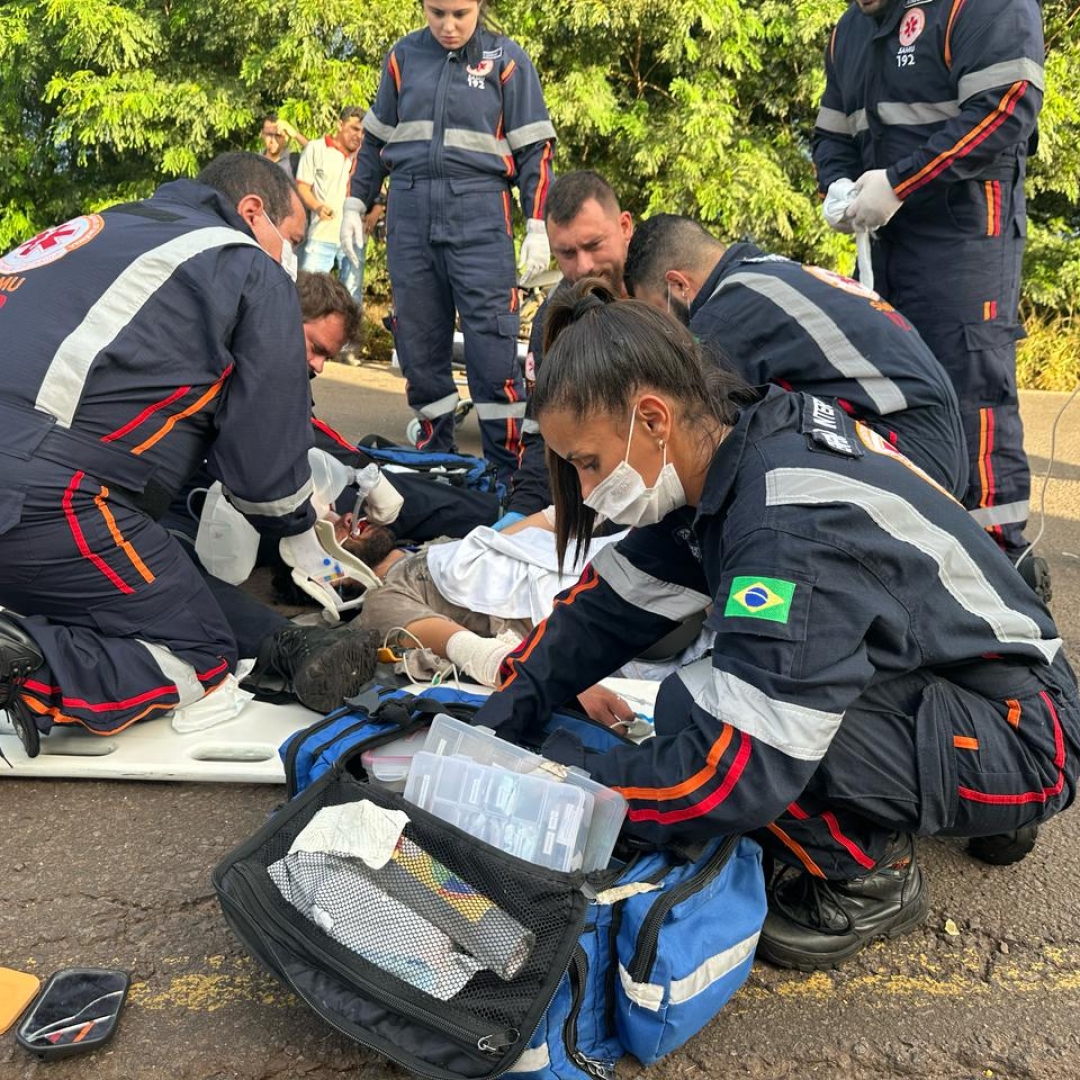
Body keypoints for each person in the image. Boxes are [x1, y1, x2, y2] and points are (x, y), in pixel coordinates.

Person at [470, 278, 1080, 971]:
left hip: (1029, 735)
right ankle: (976, 801)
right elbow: (606, 609)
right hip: (983, 675)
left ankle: (868, 879)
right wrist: (501, 716)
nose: (584, 491)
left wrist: (565, 785)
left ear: (652, 418)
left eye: (587, 463)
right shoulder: (735, 445)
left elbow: (734, 772)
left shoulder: (784, 525)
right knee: (751, 684)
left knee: (704, 707)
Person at [0, 152, 379, 753]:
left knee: (128, 571)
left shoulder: (103, 229)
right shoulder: (247, 266)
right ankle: (30, 670)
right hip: (46, 495)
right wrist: (302, 529)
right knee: (198, 650)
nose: (294, 258)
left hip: (32, 475)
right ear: (253, 212)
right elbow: (263, 474)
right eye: (294, 239)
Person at [813, 0, 1048, 599]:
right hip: (885, 239)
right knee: (887, 395)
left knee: (971, 386)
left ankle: (1000, 562)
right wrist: (837, 186)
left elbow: (1005, 108)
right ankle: (916, 553)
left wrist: (899, 182)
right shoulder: (852, 29)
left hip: (964, 235)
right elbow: (832, 135)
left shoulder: (980, 7)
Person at [341, 0, 556, 485]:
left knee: (491, 345)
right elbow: (375, 139)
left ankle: (508, 470)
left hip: (481, 212)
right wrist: (355, 202)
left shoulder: (506, 59)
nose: (449, 25)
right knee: (418, 338)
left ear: (480, 5)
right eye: (437, 12)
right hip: (410, 210)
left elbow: (535, 148)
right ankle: (435, 455)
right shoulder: (402, 56)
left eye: (460, 13)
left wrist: (537, 222)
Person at [623, 213, 967, 497]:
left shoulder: (724, 313)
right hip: (935, 446)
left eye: (659, 313)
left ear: (678, 286)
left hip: (905, 454)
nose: (667, 332)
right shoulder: (771, 274)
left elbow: (687, 438)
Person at [499, 170, 634, 523]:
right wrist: (520, 514)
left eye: (593, 245)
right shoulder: (552, 323)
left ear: (625, 227)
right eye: (567, 253)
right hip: (592, 503)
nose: (584, 266)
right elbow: (541, 439)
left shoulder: (669, 294)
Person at [296, 107, 366, 319]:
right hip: (322, 235)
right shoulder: (316, 149)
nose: (359, 135)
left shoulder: (364, 157)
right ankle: (303, 343)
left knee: (352, 294)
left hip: (355, 238)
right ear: (339, 125)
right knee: (309, 293)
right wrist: (317, 206)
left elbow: (378, 192)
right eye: (354, 128)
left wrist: (374, 215)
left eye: (363, 131)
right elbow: (302, 187)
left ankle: (349, 350)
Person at [259, 113, 309, 178]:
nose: (273, 140)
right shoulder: (254, 161)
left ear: (286, 137)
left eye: (278, 135)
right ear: (262, 134)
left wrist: (295, 134)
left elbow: (318, 155)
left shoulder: (295, 161)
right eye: (269, 134)